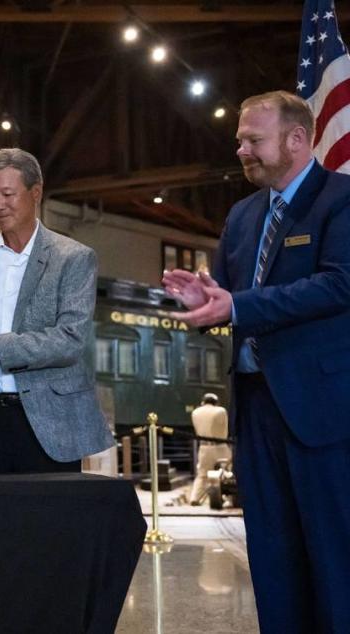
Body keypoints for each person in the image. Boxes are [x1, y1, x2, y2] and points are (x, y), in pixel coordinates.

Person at [162, 91, 350, 632]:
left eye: (253, 140)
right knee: (271, 557)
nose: (241, 149)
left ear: (297, 139)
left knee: (334, 558)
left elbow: (339, 284)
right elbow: (229, 296)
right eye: (240, 139)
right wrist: (206, 301)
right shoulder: (243, 215)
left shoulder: (341, 200)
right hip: (255, 408)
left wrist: (239, 304)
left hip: (321, 414)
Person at [0, 148, 112, 473]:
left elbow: (69, 340)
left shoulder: (74, 258)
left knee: (47, 523)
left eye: (8, 194)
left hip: (49, 425)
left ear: (36, 192)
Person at [187, 393, 230, 506]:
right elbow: (225, 428)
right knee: (228, 472)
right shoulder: (221, 411)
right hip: (221, 446)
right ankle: (228, 498)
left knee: (202, 474)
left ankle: (194, 498)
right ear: (215, 402)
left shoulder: (195, 412)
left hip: (204, 447)